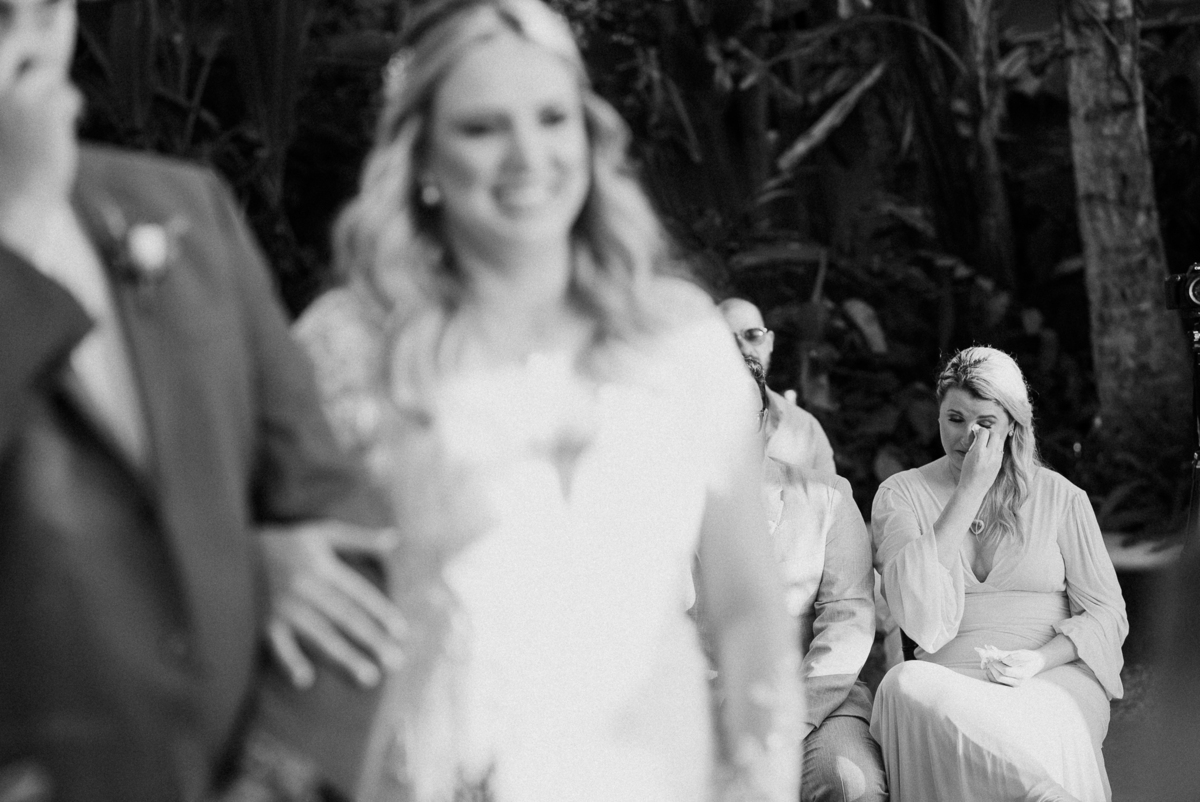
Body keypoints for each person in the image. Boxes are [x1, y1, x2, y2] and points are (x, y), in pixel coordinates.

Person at [292, 1, 803, 799]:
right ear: (421, 154)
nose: (528, 155)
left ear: (588, 135)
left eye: (552, 117)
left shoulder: (678, 339)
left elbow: (746, 607)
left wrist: (758, 778)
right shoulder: (351, 345)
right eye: (481, 128)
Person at [0, 1, 406, 799]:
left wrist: (278, 779)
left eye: (44, 9)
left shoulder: (184, 209)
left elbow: (335, 519)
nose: (30, 39)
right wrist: (13, 233)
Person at [870, 346, 1128, 801]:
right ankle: (1042, 794)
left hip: (1049, 674)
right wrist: (969, 490)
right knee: (900, 684)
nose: (967, 437)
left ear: (1012, 424)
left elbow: (1108, 614)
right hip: (950, 682)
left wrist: (1040, 659)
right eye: (954, 418)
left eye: (985, 422)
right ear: (938, 415)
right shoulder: (901, 494)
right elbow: (915, 616)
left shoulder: (1061, 497)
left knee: (1033, 719)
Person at [738, 357, 886, 802]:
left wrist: (785, 722)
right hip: (698, 701)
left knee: (849, 782)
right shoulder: (656, 503)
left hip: (815, 698)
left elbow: (847, 621)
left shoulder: (828, 497)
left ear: (765, 421)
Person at [719, 297, 836, 474]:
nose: (744, 348)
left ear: (769, 342)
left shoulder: (808, 431)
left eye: (753, 335)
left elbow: (828, 492)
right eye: (728, 338)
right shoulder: (684, 418)